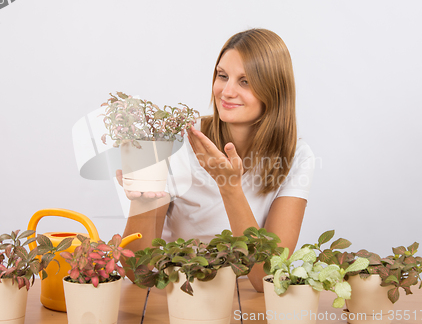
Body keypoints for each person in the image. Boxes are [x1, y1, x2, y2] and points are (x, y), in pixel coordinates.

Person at [119, 28, 315, 292]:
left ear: (274, 90)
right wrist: (142, 197)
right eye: (222, 76)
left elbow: (267, 279)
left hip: (248, 300)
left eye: (245, 81)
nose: (227, 91)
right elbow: (138, 271)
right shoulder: (178, 140)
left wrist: (229, 186)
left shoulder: (296, 157)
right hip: (182, 292)